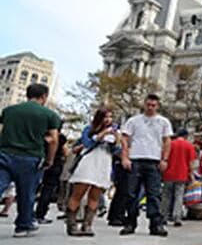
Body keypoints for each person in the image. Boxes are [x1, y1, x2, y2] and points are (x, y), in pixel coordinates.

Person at [0, 84, 61, 237]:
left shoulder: (9, 111)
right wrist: (50, 159)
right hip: (31, 157)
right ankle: (23, 225)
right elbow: (54, 140)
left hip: (5, 153)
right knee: (27, 193)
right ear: (44, 96)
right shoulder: (50, 115)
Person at [119, 94, 173, 237]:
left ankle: (155, 224)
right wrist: (125, 157)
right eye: (148, 105)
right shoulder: (134, 121)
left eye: (153, 105)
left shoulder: (163, 122)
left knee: (154, 194)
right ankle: (130, 222)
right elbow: (124, 138)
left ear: (158, 106)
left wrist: (165, 159)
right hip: (135, 159)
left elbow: (167, 141)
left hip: (154, 161)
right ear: (144, 104)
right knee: (131, 193)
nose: (150, 108)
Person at [64, 108, 119, 236]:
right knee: (78, 192)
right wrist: (101, 135)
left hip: (103, 163)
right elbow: (87, 143)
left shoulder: (114, 132)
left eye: (110, 117)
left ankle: (87, 224)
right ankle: (71, 224)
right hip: (88, 162)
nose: (108, 120)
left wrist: (116, 139)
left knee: (95, 195)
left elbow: (116, 151)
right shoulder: (89, 129)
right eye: (105, 117)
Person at [162, 129, 197, 227]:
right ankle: (177, 217)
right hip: (182, 174)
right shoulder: (189, 146)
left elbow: (164, 157)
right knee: (179, 196)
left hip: (168, 174)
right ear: (185, 136)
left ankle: (163, 216)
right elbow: (191, 163)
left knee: (166, 196)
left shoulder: (170, 144)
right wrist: (192, 175)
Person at [35, 129, 68, 224]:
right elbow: (66, 152)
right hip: (55, 165)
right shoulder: (61, 138)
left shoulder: (39, 135)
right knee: (48, 189)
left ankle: (27, 213)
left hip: (38, 162)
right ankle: (40, 214)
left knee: (31, 189)